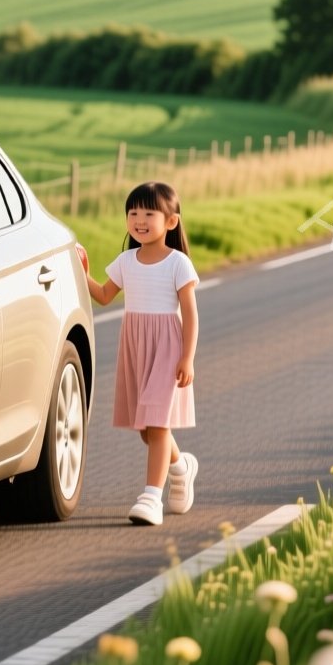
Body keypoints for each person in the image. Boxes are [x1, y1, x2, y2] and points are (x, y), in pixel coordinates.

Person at [83, 181, 201, 527]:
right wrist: (83, 271)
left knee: (157, 424)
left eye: (149, 213)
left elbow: (191, 314)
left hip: (167, 347)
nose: (139, 220)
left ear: (171, 222)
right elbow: (104, 295)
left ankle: (151, 497)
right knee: (147, 430)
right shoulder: (126, 261)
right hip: (135, 346)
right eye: (133, 213)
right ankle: (181, 467)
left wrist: (187, 357)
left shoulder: (177, 263)